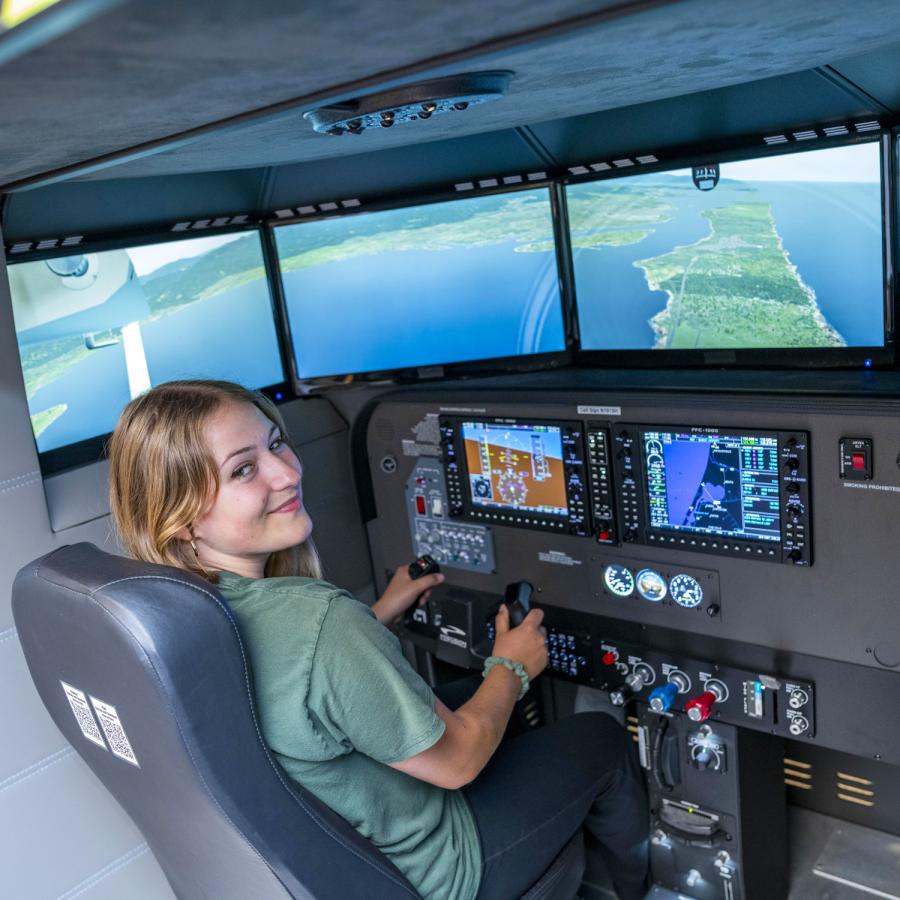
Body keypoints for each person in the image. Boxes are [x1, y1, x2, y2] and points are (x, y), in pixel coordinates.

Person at [108, 379, 649, 900]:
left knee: (469, 692)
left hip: (346, 857)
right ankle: (637, 888)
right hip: (434, 870)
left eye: (276, 443)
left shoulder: (178, 615)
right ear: (180, 518)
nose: (287, 472)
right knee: (600, 736)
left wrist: (379, 614)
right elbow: (457, 761)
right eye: (244, 469)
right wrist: (511, 667)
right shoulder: (319, 623)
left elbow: (298, 684)